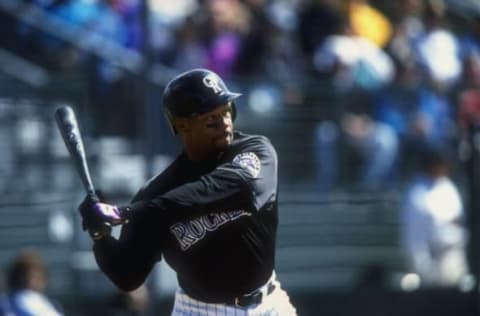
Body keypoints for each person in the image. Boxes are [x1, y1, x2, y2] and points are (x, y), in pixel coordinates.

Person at [78, 68, 297, 315]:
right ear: (181, 125)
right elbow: (128, 276)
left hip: (268, 305)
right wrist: (100, 236)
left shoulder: (254, 149)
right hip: (199, 310)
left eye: (226, 112)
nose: (224, 122)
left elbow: (238, 190)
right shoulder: (157, 193)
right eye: (211, 118)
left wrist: (129, 212)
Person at [400, 149, 469, 287]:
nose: (444, 168)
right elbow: (415, 236)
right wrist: (423, 266)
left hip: (454, 255)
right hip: (432, 257)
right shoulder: (417, 193)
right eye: (440, 164)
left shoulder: (448, 186)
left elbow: (458, 221)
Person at [0, 250, 64, 316]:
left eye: (36, 276)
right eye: (25, 275)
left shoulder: (51, 305)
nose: (30, 281)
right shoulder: (5, 304)